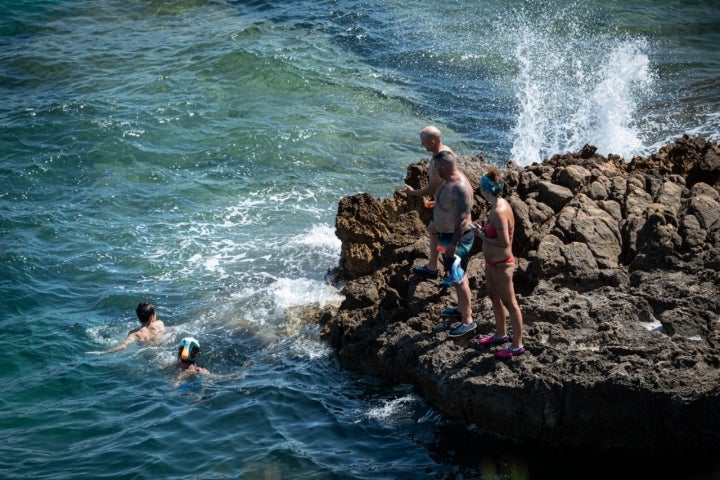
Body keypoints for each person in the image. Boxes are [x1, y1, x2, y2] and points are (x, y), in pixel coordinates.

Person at [475, 167, 525, 358]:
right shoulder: (494, 206)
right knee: (495, 298)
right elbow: (493, 233)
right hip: (491, 263)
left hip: (502, 264)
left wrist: (482, 236)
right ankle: (501, 334)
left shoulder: (500, 211)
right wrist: (483, 231)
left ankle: (517, 345)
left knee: (510, 304)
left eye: (481, 187)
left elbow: (504, 243)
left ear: (486, 189)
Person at [431, 151, 476, 338]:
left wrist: (453, 245)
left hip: (457, 240)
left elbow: (463, 220)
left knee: (459, 277)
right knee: (454, 274)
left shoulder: (460, 187)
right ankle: (460, 309)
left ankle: (467, 321)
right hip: (446, 236)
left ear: (442, 167)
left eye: (435, 167)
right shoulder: (448, 181)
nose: (434, 171)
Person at [405, 126, 454, 279]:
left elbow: (432, 188)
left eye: (423, 142)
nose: (422, 145)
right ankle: (434, 266)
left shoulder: (439, 160)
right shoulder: (446, 150)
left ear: (432, 142)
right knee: (433, 229)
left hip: (447, 205)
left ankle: (451, 273)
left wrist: (413, 192)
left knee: (446, 237)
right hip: (444, 201)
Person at [90, 302, 165, 354]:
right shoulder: (160, 323)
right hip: (161, 349)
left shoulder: (134, 334)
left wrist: (103, 352)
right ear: (152, 317)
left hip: (146, 353)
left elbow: (123, 346)